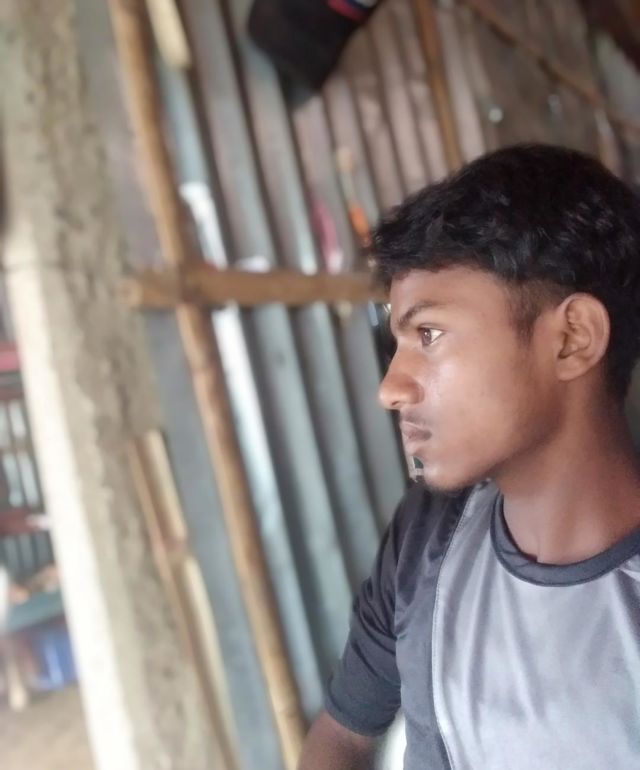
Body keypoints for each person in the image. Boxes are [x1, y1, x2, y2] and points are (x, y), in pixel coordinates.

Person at [298, 144, 640, 770]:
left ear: (572, 339)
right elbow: (341, 738)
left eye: (428, 334)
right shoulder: (428, 537)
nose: (390, 388)